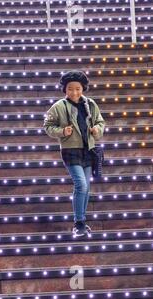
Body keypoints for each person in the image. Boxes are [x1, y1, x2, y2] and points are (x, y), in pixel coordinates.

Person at [43, 71, 105, 237]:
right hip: (70, 151)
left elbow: (100, 121)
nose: (74, 92)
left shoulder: (90, 104)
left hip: (88, 150)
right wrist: (62, 131)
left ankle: (82, 222)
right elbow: (48, 126)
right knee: (81, 185)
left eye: (78, 89)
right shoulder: (59, 107)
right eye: (70, 89)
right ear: (65, 90)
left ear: (83, 88)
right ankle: (78, 223)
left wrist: (97, 129)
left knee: (87, 187)